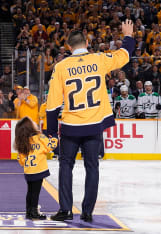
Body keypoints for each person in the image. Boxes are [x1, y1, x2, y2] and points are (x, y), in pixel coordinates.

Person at [46, 20, 135, 222]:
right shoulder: (98, 59)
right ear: (87, 42)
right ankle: (87, 212)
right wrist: (128, 35)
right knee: (92, 166)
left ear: (69, 47)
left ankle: (66, 209)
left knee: (65, 165)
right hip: (94, 124)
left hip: (70, 126)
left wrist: (51, 133)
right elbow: (125, 55)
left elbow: (52, 104)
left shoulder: (61, 67)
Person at [14, 116, 58, 220]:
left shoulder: (23, 141)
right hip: (39, 170)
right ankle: (34, 212)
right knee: (35, 192)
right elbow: (50, 146)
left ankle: (29, 211)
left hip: (28, 171)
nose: (35, 122)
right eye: (33, 122)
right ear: (30, 127)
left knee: (30, 191)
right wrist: (55, 138)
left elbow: (20, 159)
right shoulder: (39, 137)